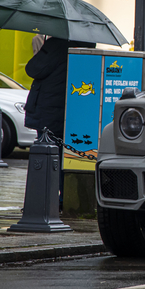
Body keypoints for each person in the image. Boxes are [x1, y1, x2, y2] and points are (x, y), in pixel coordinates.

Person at [24, 37, 95, 209]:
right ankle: (64, 199)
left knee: (46, 156)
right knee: (66, 158)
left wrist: (44, 49)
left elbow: (33, 69)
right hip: (72, 111)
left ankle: (44, 199)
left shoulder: (55, 44)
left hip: (49, 111)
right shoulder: (88, 46)